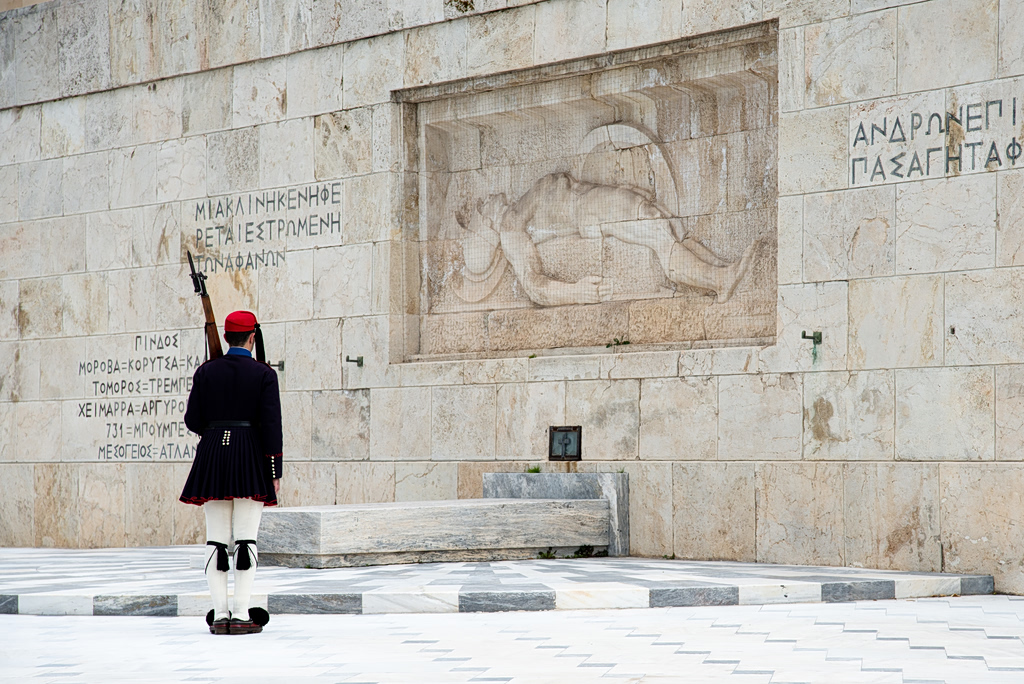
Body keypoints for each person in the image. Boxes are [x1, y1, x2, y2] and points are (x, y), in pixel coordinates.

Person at [457, 172, 755, 307]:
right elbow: (534, 285)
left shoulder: (522, 203)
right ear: (489, 225)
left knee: (665, 225)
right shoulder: (510, 229)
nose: (492, 198)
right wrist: (575, 292)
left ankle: (720, 268)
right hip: (591, 212)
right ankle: (719, 280)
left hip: (593, 201)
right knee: (656, 230)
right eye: (484, 207)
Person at [179, 310, 283, 635]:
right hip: (250, 456)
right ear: (253, 337)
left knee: (216, 541)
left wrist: (217, 428)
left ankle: (220, 614)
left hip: (212, 457)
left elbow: (193, 421)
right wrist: (273, 469)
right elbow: (271, 428)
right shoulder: (263, 374)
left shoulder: (206, 371)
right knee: (246, 538)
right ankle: (240, 614)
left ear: (225, 338)